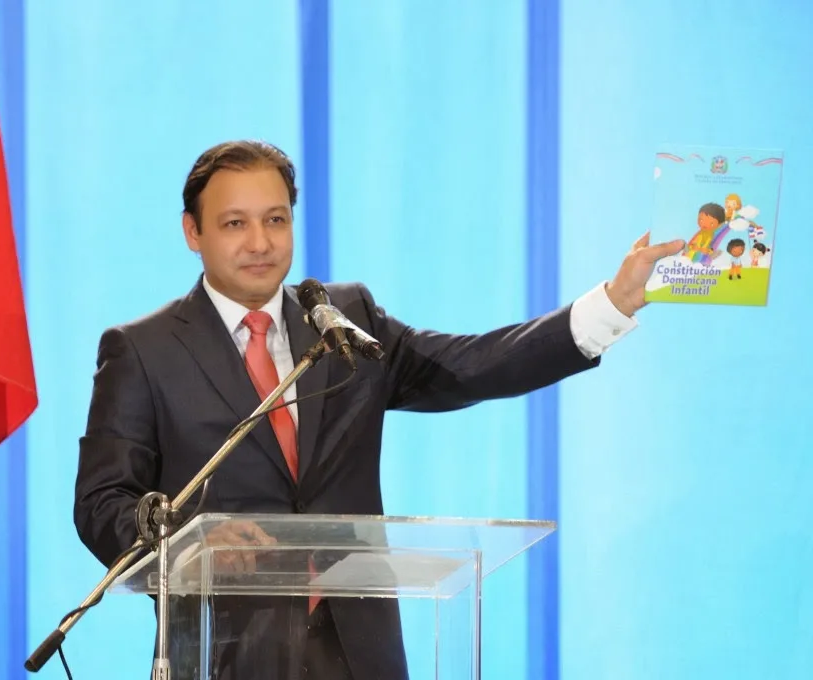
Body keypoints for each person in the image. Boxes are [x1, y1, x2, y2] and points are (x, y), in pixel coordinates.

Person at [73, 140, 684, 679]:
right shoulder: (144, 350)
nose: (260, 242)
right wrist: (188, 542)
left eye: (276, 219)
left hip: (359, 653)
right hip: (224, 653)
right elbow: (102, 503)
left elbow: (470, 365)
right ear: (193, 232)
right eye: (235, 223)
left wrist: (611, 304)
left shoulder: (341, 322)